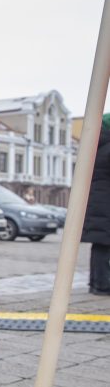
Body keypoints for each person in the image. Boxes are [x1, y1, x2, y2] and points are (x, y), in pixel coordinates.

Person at [83, 114, 110, 296]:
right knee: (103, 245)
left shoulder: (96, 146)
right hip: (105, 204)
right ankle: (101, 285)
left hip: (98, 203)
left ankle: (97, 283)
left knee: (100, 245)